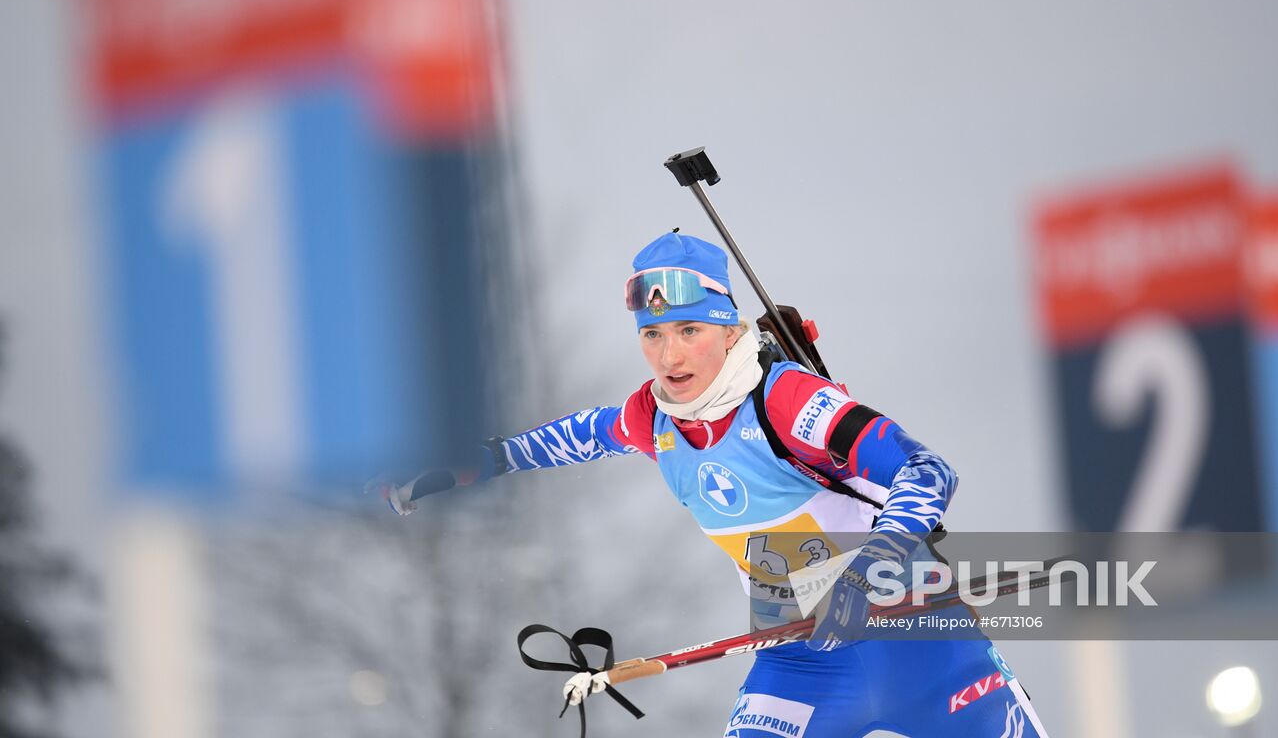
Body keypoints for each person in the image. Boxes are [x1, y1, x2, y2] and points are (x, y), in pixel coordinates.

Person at [381, 231, 1049, 737]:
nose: (669, 356)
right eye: (653, 334)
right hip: (803, 659)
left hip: (922, 638)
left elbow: (927, 472)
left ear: (729, 331)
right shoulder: (654, 420)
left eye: (689, 331)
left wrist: (867, 572)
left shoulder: (784, 400)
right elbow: (553, 443)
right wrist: (462, 463)